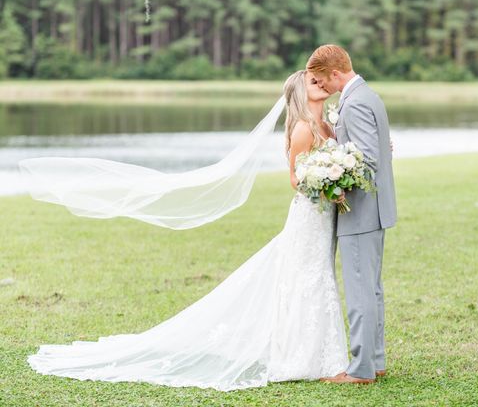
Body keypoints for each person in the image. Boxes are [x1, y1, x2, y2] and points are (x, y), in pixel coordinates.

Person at [26, 70, 350, 392]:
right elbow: (296, 179)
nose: (320, 83)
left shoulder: (327, 124)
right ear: (299, 93)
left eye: (321, 79)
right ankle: (302, 359)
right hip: (309, 215)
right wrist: (329, 186)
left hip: (322, 218)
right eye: (312, 81)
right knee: (307, 278)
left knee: (314, 276)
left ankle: (316, 354)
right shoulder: (304, 129)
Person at [306, 44, 397, 384]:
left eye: (321, 80)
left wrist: (336, 178)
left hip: (361, 211)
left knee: (361, 291)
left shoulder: (356, 102)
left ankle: (361, 370)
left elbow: (369, 160)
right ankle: (376, 360)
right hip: (375, 210)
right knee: (370, 289)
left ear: (335, 73)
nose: (322, 87)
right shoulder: (367, 95)